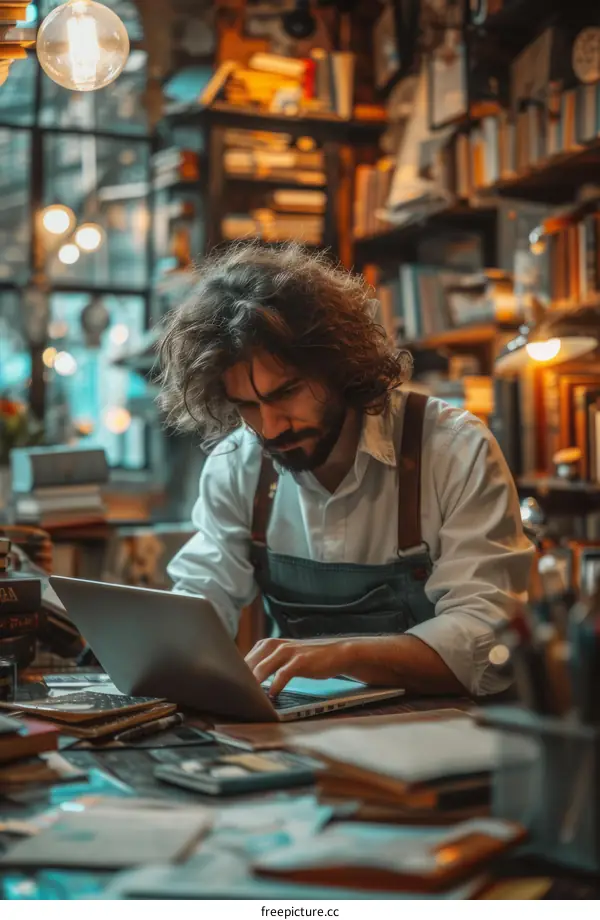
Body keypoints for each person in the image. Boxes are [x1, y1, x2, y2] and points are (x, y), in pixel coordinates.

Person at [159, 243, 534, 699]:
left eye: (286, 393)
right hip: (301, 726)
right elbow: (200, 597)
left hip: (445, 727)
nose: (270, 427)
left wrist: (342, 655)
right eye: (247, 406)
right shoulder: (239, 463)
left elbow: (486, 642)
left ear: (338, 365)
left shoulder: (454, 450)